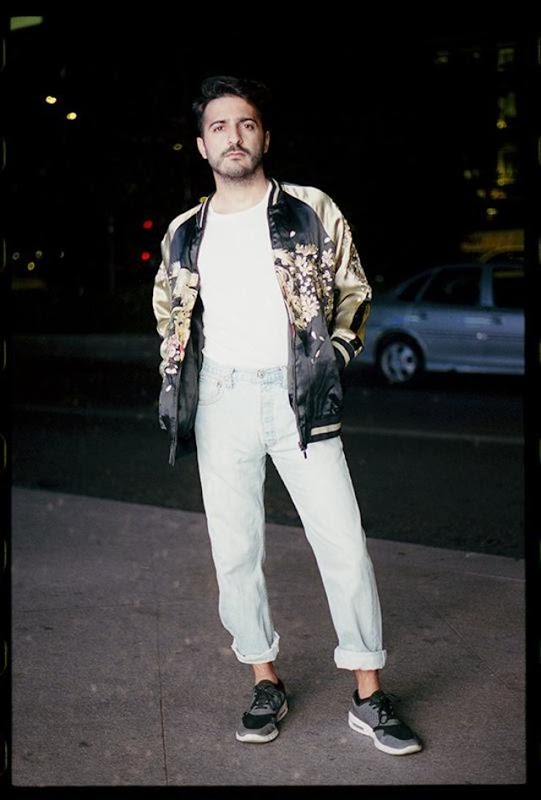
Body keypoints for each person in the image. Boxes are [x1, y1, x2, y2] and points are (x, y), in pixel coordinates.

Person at [152, 75, 422, 756]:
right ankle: (264, 679)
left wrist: (331, 358)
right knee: (235, 551)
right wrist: (178, 376)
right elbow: (168, 313)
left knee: (344, 544)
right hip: (222, 400)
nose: (233, 137)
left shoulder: (310, 208)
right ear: (201, 145)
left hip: (298, 396)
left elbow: (353, 291)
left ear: (263, 136)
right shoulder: (185, 232)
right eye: (218, 127)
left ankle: (368, 693)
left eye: (245, 124)